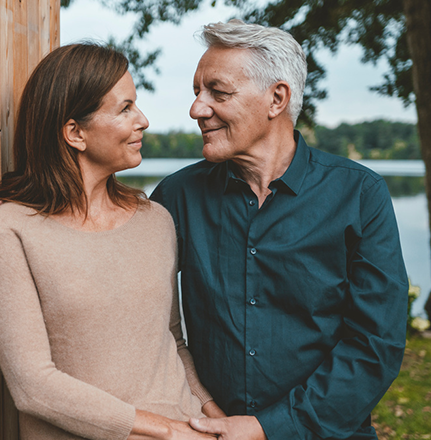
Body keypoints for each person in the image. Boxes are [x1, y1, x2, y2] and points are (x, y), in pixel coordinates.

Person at [150, 20, 408, 440]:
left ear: (277, 98)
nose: (197, 109)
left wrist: (270, 428)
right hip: (203, 430)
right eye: (196, 92)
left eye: (218, 91)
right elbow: (140, 317)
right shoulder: (176, 195)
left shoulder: (360, 193)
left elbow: (375, 345)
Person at [0, 43, 224, 440]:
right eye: (125, 108)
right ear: (75, 133)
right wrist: (167, 432)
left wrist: (214, 418)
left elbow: (172, 343)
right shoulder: (12, 231)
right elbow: (33, 388)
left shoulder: (155, 219)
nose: (142, 120)